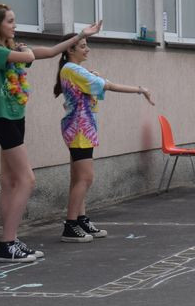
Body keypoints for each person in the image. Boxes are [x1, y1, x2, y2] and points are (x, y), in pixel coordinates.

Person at [0, 5, 102, 263]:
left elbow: (47, 52)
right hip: (3, 119)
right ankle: (7, 243)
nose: (15, 25)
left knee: (10, 182)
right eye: (10, 21)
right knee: (26, 180)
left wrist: (79, 36)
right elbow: (36, 55)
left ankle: (9, 240)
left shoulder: (11, 50)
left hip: (15, 116)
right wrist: (25, 51)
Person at [54, 35, 154, 242]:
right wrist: (140, 89)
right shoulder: (72, 69)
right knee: (86, 177)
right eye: (82, 46)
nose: (87, 49)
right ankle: (70, 225)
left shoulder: (74, 70)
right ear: (70, 50)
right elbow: (107, 85)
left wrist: (95, 77)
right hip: (79, 129)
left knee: (78, 177)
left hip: (81, 127)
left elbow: (94, 87)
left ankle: (80, 219)